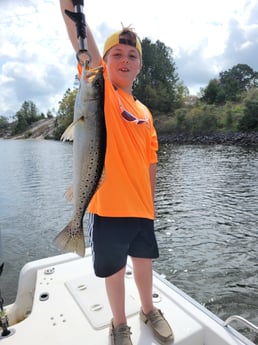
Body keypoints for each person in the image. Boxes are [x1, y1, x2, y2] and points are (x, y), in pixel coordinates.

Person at [60, 1, 174, 344]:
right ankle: (119, 322)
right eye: (116, 54)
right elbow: (82, 42)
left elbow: (151, 161)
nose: (125, 60)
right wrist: (70, 7)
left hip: (142, 209)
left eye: (132, 55)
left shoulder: (145, 111)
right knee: (114, 269)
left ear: (140, 65)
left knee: (144, 263)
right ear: (105, 63)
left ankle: (148, 309)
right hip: (108, 208)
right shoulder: (103, 92)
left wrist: (151, 204)